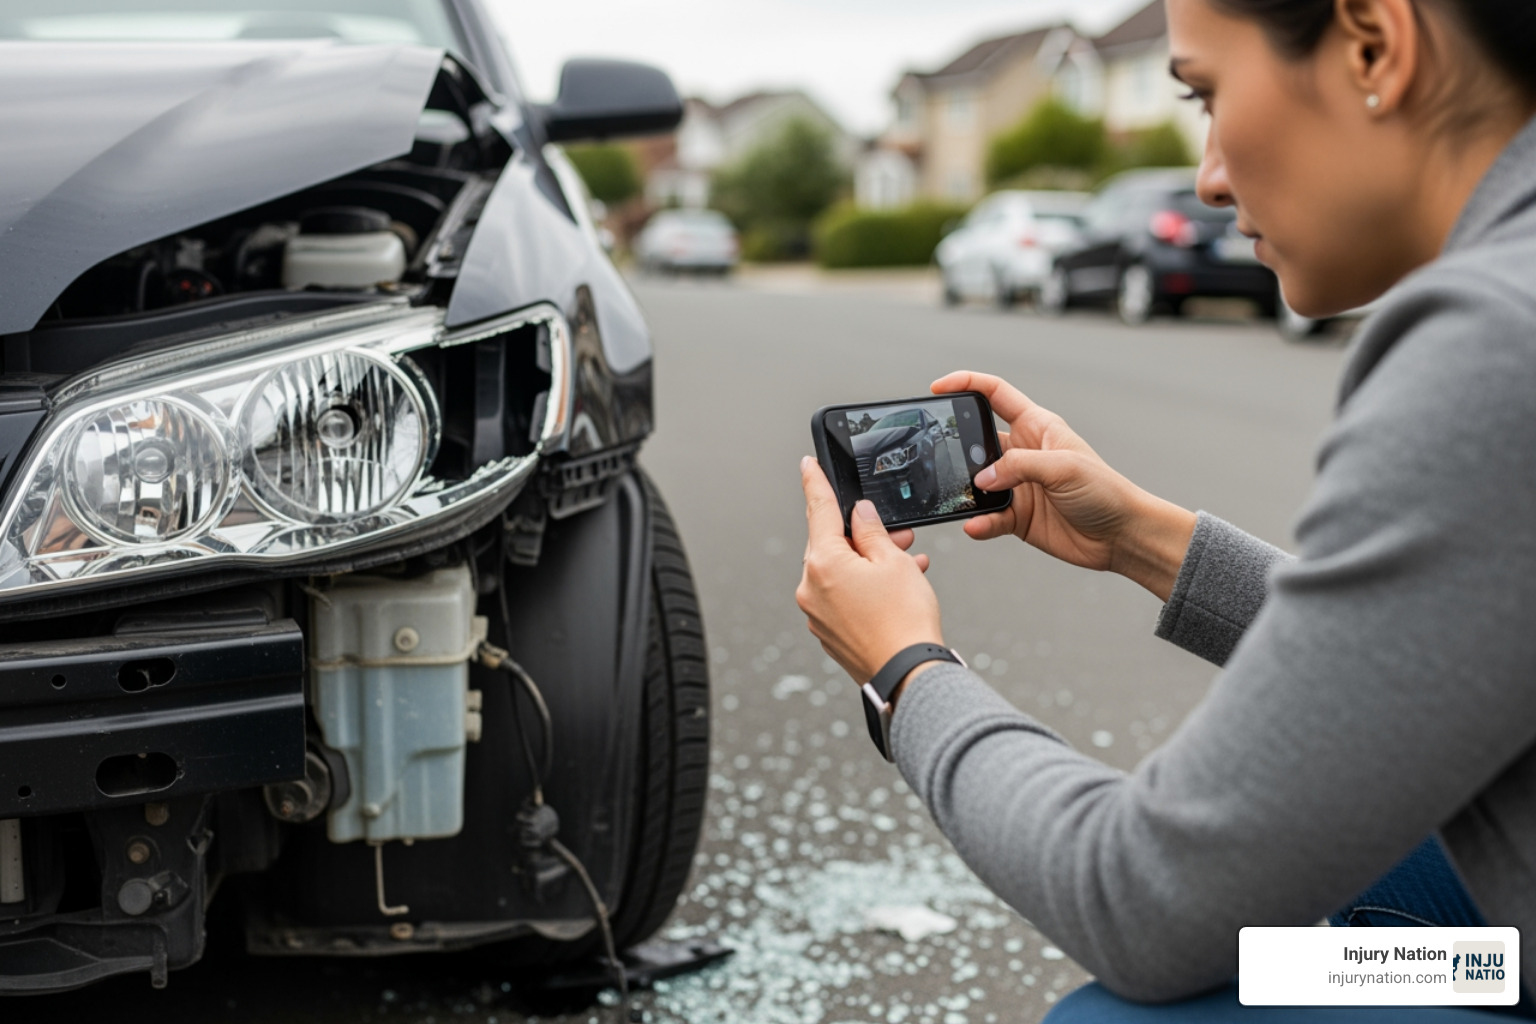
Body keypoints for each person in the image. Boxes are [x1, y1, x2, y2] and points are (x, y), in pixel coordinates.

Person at [795, 0, 1536, 1019]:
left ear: (1375, 41)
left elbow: (1136, 893)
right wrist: (1141, 534)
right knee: (1297, 911)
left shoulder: (1494, 344)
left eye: (1208, 94)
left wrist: (907, 675)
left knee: (1116, 1015)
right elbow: (1416, 659)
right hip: (1504, 950)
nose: (1210, 180)